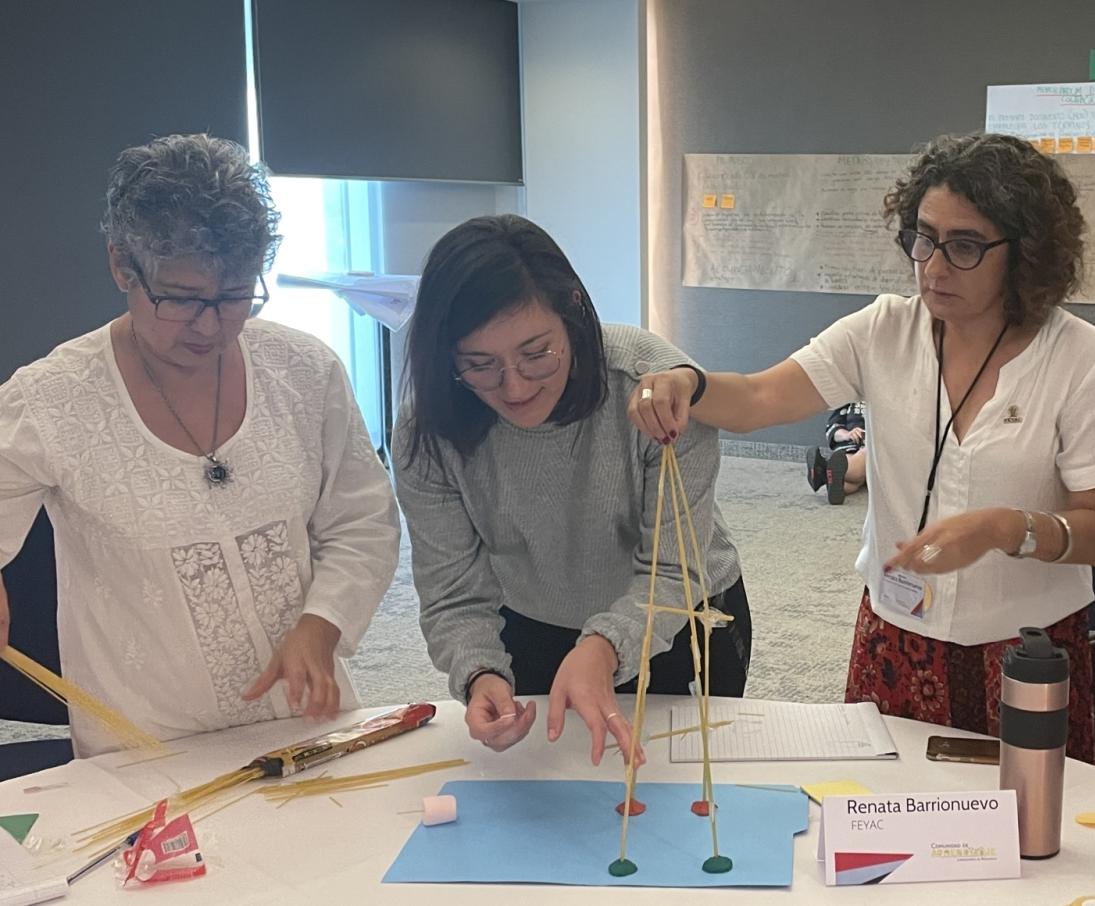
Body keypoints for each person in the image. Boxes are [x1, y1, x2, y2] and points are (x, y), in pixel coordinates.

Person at [631, 132, 1095, 761]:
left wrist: (1006, 527)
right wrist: (688, 381)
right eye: (923, 238)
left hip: (1026, 649)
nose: (933, 265)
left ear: (1027, 253)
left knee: (1029, 835)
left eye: (966, 246)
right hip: (898, 636)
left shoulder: (1078, 356)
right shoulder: (884, 329)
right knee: (888, 820)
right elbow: (761, 399)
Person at [0, 134, 401, 757]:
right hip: (143, 741)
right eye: (183, 300)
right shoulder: (52, 398)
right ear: (121, 268)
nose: (212, 326)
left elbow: (363, 520)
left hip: (305, 720)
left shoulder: (302, 369)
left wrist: (322, 625)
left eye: (236, 295)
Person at [394, 214, 752, 767]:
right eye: (479, 365)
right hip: (533, 626)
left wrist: (605, 647)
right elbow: (451, 589)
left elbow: (676, 569)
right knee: (553, 804)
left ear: (574, 317)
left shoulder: (653, 386)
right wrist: (480, 671)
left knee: (684, 803)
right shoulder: (429, 429)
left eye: (537, 353)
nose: (514, 387)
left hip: (682, 622)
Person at [806, 401, 867, 504]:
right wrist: (847, 434)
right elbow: (833, 427)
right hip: (848, 449)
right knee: (847, 478)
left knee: (866, 453)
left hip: (873, 451)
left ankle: (824, 472)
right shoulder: (849, 402)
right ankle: (832, 479)